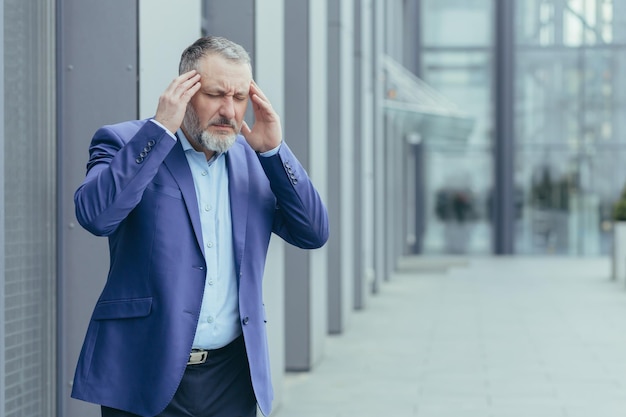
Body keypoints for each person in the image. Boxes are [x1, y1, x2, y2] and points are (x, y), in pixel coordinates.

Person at [70, 35, 329, 417]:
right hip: (145, 369)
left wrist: (274, 151)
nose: (229, 110)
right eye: (216, 94)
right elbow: (95, 216)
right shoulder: (127, 141)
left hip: (232, 376)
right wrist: (159, 131)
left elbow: (313, 231)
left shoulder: (256, 161)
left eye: (240, 97)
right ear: (184, 91)